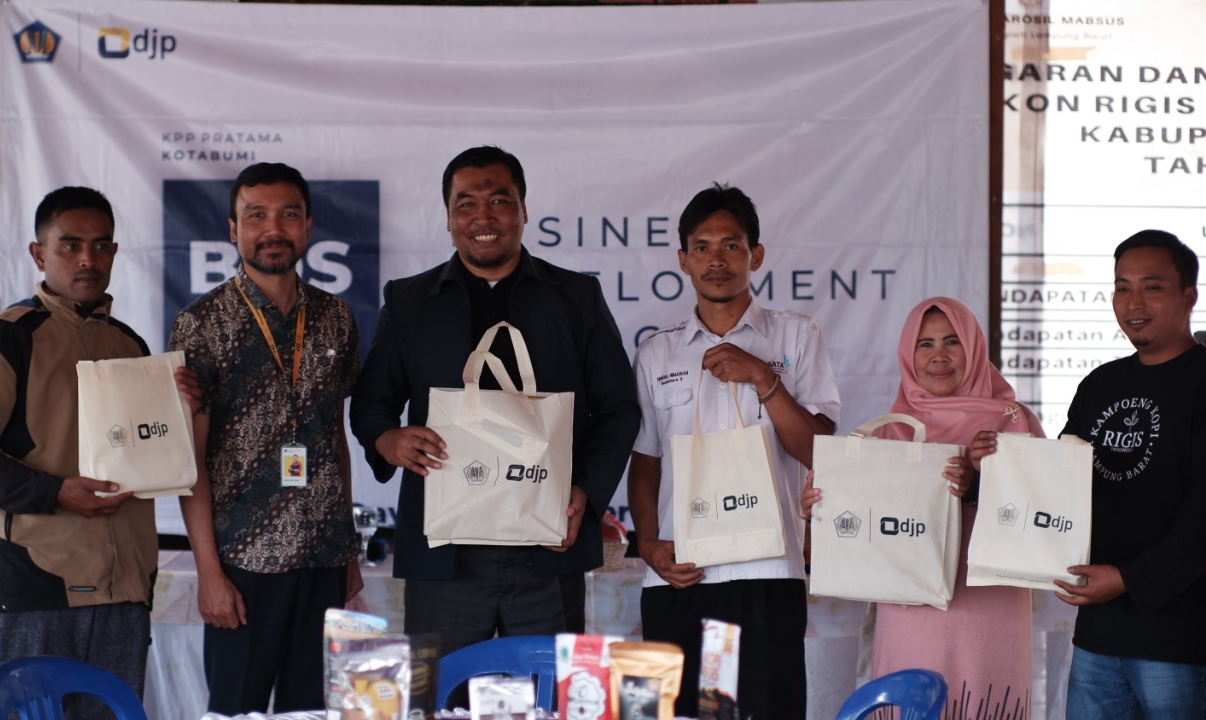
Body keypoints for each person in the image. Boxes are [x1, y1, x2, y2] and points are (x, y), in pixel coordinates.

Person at [350, 145, 640, 656]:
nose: (483, 217)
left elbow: (619, 409)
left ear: (524, 210)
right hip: (445, 555)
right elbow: (371, 403)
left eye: (499, 201)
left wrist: (587, 493)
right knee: (440, 694)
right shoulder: (409, 301)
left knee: (546, 691)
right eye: (466, 204)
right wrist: (388, 439)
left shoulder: (576, 297)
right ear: (448, 219)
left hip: (548, 548)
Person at [0, 186, 198, 709]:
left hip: (123, 590)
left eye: (101, 245)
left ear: (115, 252)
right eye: (70, 245)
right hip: (37, 585)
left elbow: (145, 451)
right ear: (39, 254)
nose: (88, 258)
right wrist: (55, 491)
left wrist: (181, 407)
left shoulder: (130, 345)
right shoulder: (5, 337)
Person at [628, 183, 841, 719]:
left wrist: (765, 380)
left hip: (768, 571)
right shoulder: (656, 352)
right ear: (683, 260)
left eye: (731, 245)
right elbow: (646, 460)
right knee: (675, 714)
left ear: (756, 255)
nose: (716, 260)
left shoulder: (796, 338)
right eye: (701, 247)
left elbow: (819, 451)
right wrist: (649, 545)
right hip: (681, 571)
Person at [168, 162, 361, 714]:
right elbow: (189, 462)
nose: (273, 229)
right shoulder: (202, 323)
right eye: (256, 216)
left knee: (315, 711)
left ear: (308, 226)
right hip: (243, 564)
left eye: (288, 215)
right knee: (236, 711)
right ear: (233, 230)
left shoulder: (336, 317)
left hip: (323, 558)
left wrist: (346, 549)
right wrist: (209, 573)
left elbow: (335, 439)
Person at [803, 296, 1045, 719]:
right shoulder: (891, 430)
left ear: (974, 347)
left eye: (952, 341)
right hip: (911, 607)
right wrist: (821, 506)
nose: (939, 356)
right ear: (907, 354)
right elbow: (863, 526)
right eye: (925, 344)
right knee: (911, 697)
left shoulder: (1012, 419)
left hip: (990, 606)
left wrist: (980, 482)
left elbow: (1041, 514)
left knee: (983, 699)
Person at [1053, 230, 1206, 718]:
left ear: (1189, 296)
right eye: (1122, 287)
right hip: (1098, 634)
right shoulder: (1100, 383)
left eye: (1151, 287)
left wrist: (1128, 580)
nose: (1133, 302)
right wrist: (983, 475)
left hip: (1180, 641)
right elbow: (1056, 481)